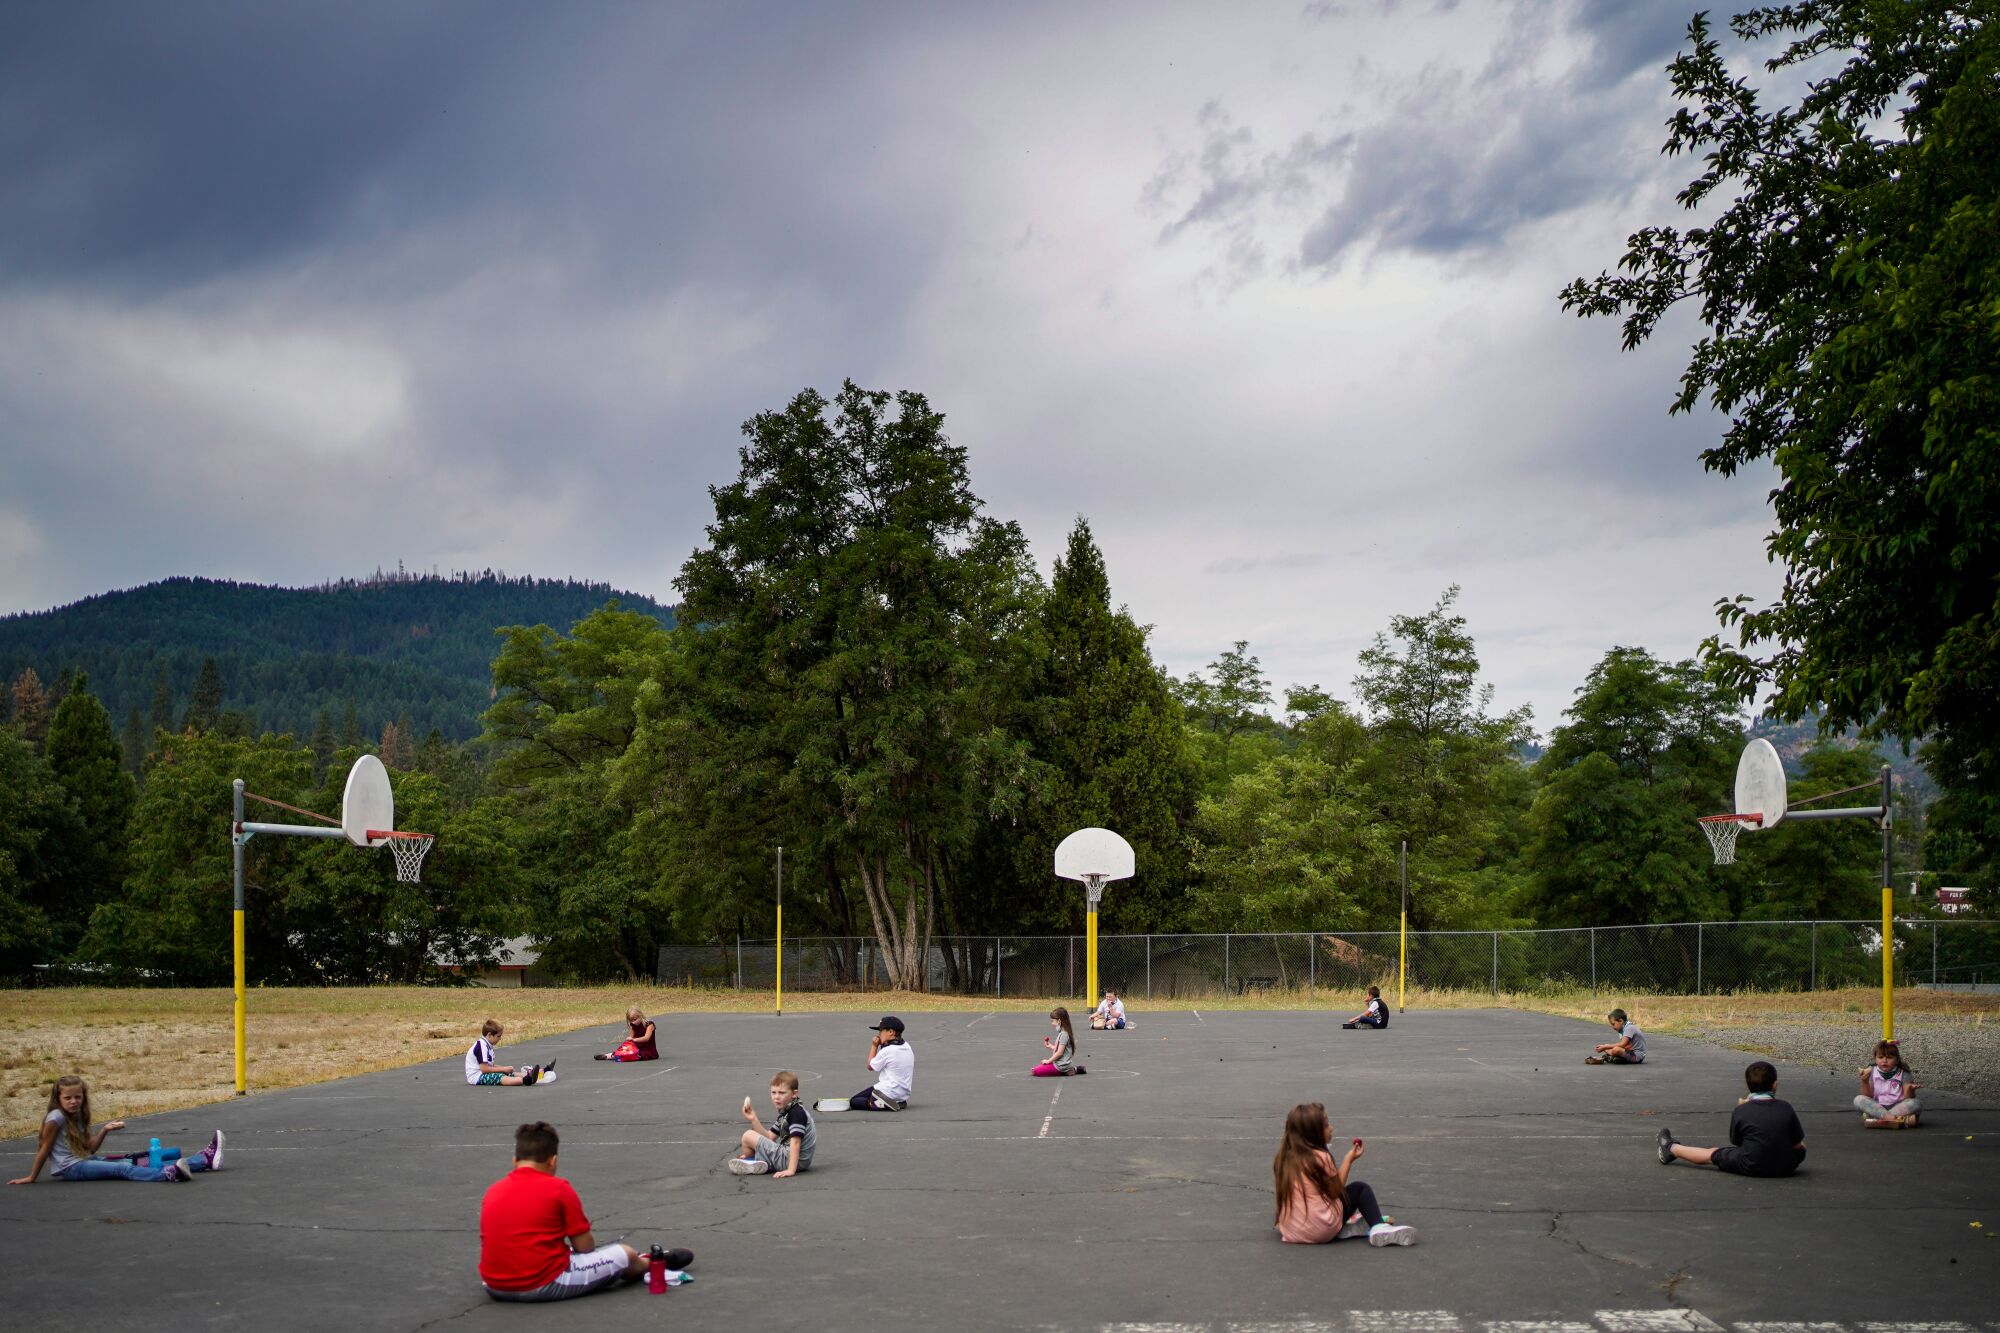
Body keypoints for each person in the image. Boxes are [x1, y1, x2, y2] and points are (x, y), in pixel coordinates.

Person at [478, 1120, 691, 1301]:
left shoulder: (492, 1190)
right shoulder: (558, 1188)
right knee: (623, 1253)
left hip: (494, 1284)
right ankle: (649, 1262)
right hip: (541, 1283)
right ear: (553, 1161)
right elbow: (585, 1247)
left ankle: (640, 1259)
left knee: (567, 1252)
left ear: (515, 1160)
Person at [9, 1075, 223, 1184]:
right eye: (68, 1098)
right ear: (58, 1098)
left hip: (82, 1161)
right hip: (70, 1169)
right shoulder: (55, 1118)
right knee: (122, 1169)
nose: (73, 1101)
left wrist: (104, 1130)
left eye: (77, 1097)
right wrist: (31, 1177)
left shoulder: (78, 1116)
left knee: (130, 1161)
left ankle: (203, 1160)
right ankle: (167, 1176)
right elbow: (44, 1149)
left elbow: (90, 1149)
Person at [1271, 1102, 1417, 1247]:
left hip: (1292, 1231)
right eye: (1327, 1125)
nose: (1331, 1128)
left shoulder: (1283, 1159)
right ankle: (1379, 1227)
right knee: (1360, 1189)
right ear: (1314, 1133)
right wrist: (1348, 1160)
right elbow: (1335, 1191)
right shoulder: (1320, 1157)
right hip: (1322, 1229)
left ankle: (1344, 1228)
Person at [1656, 1060, 1806, 1177]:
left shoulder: (1742, 1110)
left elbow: (1736, 1141)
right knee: (1800, 1148)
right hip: (1786, 1167)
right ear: (1774, 1085)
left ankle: (1671, 1148)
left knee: (1713, 1153)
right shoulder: (1786, 1107)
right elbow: (1798, 1144)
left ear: (1748, 1087)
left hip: (1751, 1164)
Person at [729, 1071, 816, 1176]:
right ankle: (754, 1162)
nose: (776, 1097)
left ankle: (752, 1161)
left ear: (794, 1094)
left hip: (793, 1161)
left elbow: (796, 1142)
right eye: (773, 1092)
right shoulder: (787, 1111)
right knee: (748, 1140)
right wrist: (754, 1119)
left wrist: (791, 1170)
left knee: (748, 1136)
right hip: (793, 1159)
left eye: (781, 1093)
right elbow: (769, 1137)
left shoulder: (797, 1113)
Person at [824, 1016, 914, 1111]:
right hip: (903, 1093)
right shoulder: (906, 1046)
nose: (879, 1035)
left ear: (891, 1032)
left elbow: (870, 1066)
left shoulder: (888, 1051)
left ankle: (879, 1104)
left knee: (855, 1101)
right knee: (865, 1097)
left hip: (888, 1090)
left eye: (881, 1031)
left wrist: (874, 1046)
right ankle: (898, 1102)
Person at [1853, 1038, 1922, 1128]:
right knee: (1858, 1099)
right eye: (1880, 1057)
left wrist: (1910, 1089)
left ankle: (1878, 1120)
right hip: (1877, 1107)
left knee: (1915, 1103)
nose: (1884, 1060)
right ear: (1875, 1059)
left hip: (1897, 1107)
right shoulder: (1871, 1071)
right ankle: (1896, 1120)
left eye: (1889, 1057)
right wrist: (1864, 1081)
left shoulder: (1904, 1073)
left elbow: (1907, 1098)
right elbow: (1867, 1096)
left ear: (1897, 1060)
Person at [466, 1019, 554, 1086]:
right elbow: (485, 1069)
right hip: (476, 1077)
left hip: (482, 1073)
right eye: (498, 1036)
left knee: (509, 1073)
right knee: (499, 1077)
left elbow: (490, 1066)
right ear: (489, 1035)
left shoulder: (487, 1045)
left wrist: (505, 1068)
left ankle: (539, 1073)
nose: (500, 1039)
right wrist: (503, 1069)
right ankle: (525, 1080)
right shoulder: (481, 1047)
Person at [1033, 1006, 1087, 1076]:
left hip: (1060, 1066)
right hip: (1060, 1064)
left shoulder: (1064, 1034)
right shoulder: (1063, 1032)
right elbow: (1062, 1050)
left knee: (1035, 1071)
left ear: (1059, 1021)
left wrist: (1048, 1061)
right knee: (1036, 1068)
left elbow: (1060, 1053)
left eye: (1052, 1021)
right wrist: (1050, 1046)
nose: (1052, 1023)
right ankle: (1073, 1069)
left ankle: (1067, 1071)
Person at [592, 1008, 659, 1062]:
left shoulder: (649, 1024)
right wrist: (628, 1041)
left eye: (635, 1019)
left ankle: (622, 1056)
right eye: (631, 1021)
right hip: (636, 1047)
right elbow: (631, 1038)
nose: (633, 1022)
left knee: (639, 1054)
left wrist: (634, 1040)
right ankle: (608, 1056)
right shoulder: (633, 1026)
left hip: (648, 1049)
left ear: (640, 1016)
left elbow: (646, 1038)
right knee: (624, 1050)